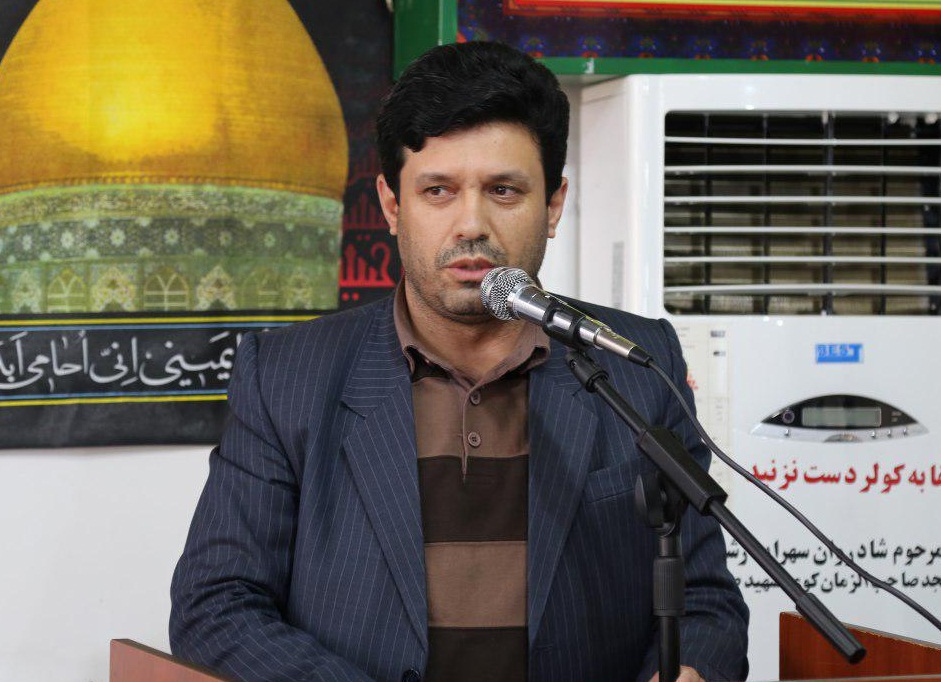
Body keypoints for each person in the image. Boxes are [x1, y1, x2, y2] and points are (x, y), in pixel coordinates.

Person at [170, 41, 748, 682]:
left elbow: (705, 602)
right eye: (438, 190)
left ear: (553, 205)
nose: (471, 224)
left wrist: (693, 668)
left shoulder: (635, 363)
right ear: (393, 206)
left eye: (503, 190)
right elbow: (215, 606)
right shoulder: (287, 376)